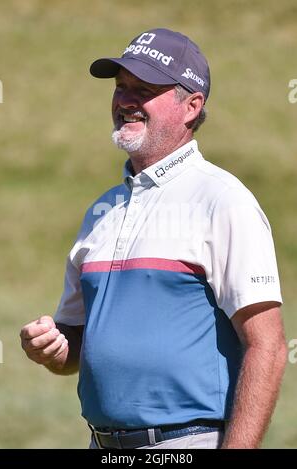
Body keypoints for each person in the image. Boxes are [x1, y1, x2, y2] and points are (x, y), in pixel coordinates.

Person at [20, 28, 287, 449]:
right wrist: (54, 347)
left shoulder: (223, 200)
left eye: (143, 89)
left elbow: (267, 346)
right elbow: (77, 341)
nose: (126, 100)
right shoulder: (100, 211)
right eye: (121, 87)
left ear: (191, 106)